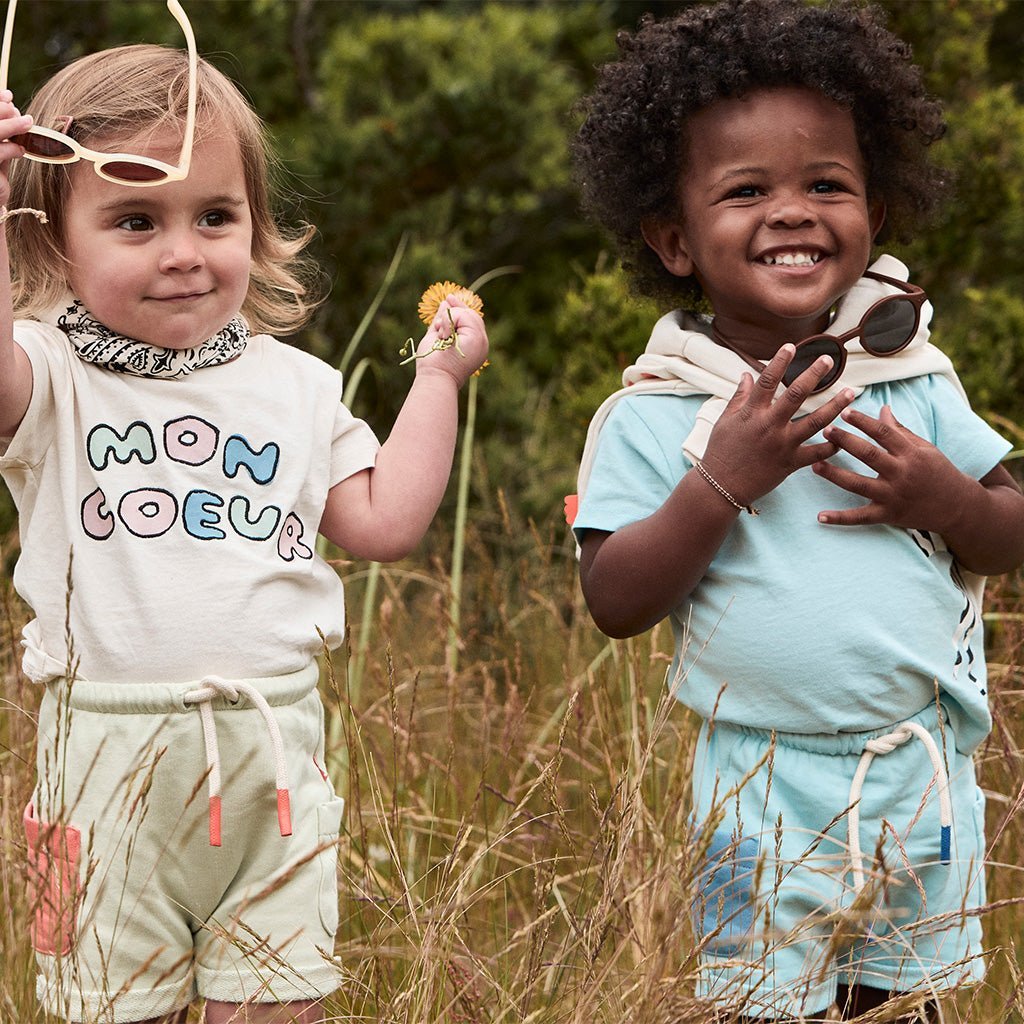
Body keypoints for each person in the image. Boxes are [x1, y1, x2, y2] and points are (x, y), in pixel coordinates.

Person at [0, 17, 487, 1024]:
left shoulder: (297, 388)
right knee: (108, 1009)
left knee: (274, 1007)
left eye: (215, 215)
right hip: (97, 764)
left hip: (272, 755)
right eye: (136, 221)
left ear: (256, 227)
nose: (183, 252)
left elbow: (384, 519)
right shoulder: (47, 372)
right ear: (50, 236)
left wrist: (438, 379)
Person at [568, 0, 1024, 1020]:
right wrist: (720, 482)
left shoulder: (908, 375)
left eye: (827, 183)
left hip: (918, 766)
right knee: (765, 1007)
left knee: (906, 1001)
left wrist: (944, 495)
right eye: (744, 191)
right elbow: (614, 599)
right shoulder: (656, 410)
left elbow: (1008, 528)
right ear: (673, 238)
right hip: (759, 787)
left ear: (874, 211)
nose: (791, 210)